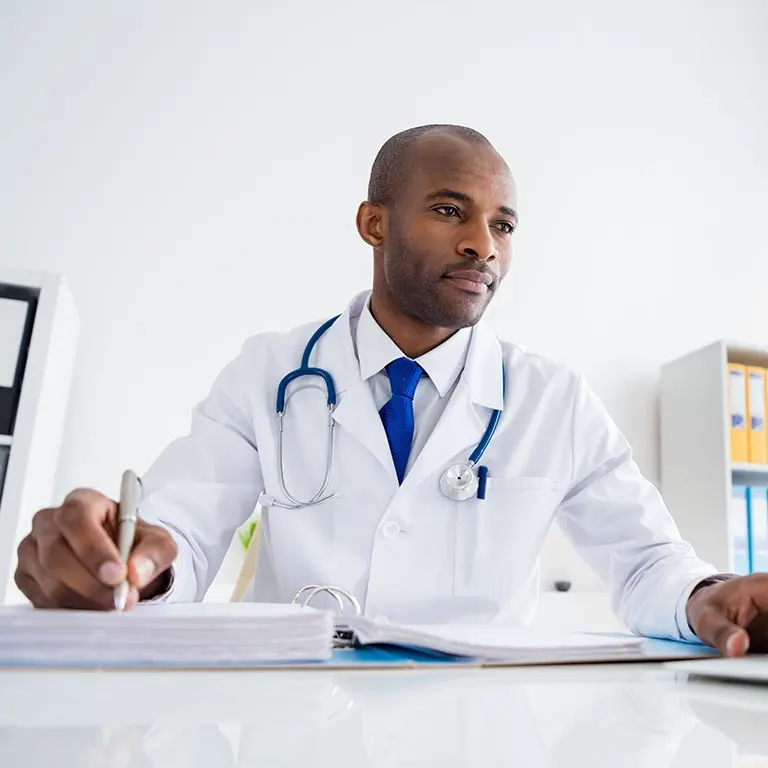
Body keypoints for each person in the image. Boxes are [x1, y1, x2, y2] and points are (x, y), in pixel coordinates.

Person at [14, 124, 768, 657]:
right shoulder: (269, 372)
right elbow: (181, 529)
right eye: (450, 211)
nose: (484, 245)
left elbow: (646, 562)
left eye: (504, 225)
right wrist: (128, 568)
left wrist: (706, 597)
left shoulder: (554, 399)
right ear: (373, 223)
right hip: (290, 722)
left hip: (476, 726)